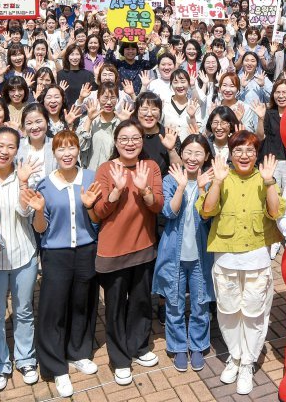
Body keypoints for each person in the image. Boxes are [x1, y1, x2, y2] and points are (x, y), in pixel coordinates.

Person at [199, 131, 283, 396]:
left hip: (256, 258)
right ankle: (234, 356)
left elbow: (274, 212)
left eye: (250, 150)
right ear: (230, 154)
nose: (244, 155)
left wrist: (269, 183)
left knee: (255, 313)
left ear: (256, 154)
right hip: (226, 257)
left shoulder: (264, 179)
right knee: (228, 310)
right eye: (238, 151)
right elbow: (207, 210)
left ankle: (248, 361)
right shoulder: (222, 178)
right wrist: (217, 183)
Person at [22, 131, 102, 398]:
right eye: (61, 149)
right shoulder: (44, 185)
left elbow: (96, 220)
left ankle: (78, 352)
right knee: (53, 308)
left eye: (72, 148)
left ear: (79, 150)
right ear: (53, 153)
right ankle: (57, 366)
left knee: (82, 302)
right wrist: (37, 210)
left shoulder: (90, 178)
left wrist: (89, 206)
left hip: (86, 249)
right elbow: (41, 228)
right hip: (56, 253)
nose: (67, 153)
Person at [91, 120, 163, 386]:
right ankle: (120, 358)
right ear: (116, 141)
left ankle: (140, 346)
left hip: (143, 246)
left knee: (141, 301)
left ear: (142, 141)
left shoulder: (151, 167)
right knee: (115, 306)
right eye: (124, 138)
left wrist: (144, 189)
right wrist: (117, 191)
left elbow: (157, 206)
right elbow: (98, 213)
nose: (130, 143)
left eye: (135, 138)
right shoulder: (106, 169)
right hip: (113, 250)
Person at [0, 128, 40, 391]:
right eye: (0, 145)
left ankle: (26, 358)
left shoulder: (24, 176)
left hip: (23, 255)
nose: (4, 151)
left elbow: (25, 212)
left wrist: (24, 184)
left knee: (24, 310)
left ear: (18, 150)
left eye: (11, 147)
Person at [154, 134, 214, 372]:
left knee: (200, 303)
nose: (192, 158)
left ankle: (198, 345)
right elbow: (169, 212)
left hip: (201, 255)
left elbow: (208, 215)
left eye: (198, 153)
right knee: (174, 303)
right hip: (173, 255)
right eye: (188, 152)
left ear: (207, 156)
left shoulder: (211, 181)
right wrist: (181, 186)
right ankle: (179, 346)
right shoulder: (170, 179)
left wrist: (201, 189)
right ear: (181, 154)